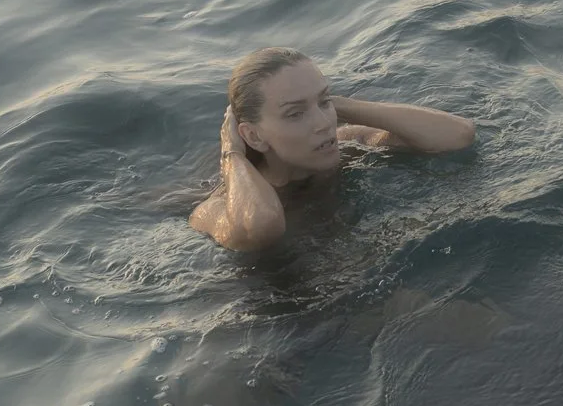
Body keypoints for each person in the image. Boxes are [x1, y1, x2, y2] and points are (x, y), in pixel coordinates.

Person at [189, 47, 475, 252]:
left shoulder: (348, 145)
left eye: (324, 103)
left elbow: (457, 135)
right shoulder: (219, 206)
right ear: (253, 136)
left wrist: (334, 105)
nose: (323, 124)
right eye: (295, 113)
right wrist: (233, 152)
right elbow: (260, 225)